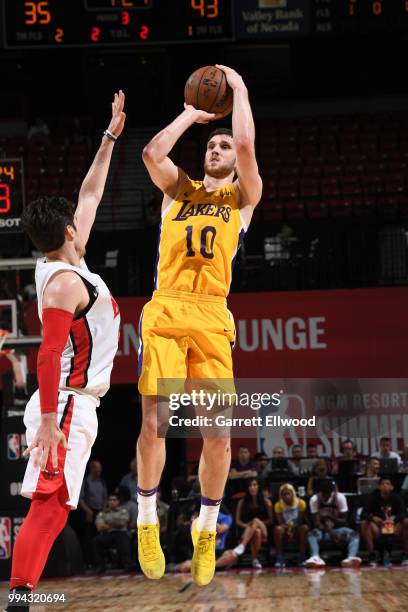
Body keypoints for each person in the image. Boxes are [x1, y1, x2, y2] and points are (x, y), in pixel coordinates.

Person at [137, 64, 262, 586]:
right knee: (153, 424)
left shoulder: (242, 199)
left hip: (212, 313)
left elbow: (249, 146)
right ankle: (146, 520)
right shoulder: (177, 190)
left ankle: (206, 528)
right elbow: (150, 154)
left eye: (223, 145)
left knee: (218, 437)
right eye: (212, 145)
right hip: (167, 307)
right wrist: (190, 115)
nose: (217, 149)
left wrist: (239, 90)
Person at [6, 91, 126, 610]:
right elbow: (47, 354)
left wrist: (110, 138)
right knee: (49, 505)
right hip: (68, 402)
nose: (85, 214)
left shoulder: (69, 263)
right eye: (77, 218)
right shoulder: (62, 287)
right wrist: (53, 419)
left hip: (76, 403)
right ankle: (20, 600)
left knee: (53, 507)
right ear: (69, 233)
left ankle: (22, 597)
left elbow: (91, 192)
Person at [305, 479, 361, 569]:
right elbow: (316, 523)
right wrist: (330, 531)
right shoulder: (314, 499)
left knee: (354, 534)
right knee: (312, 534)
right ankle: (315, 557)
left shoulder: (340, 497)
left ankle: (350, 558)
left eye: (328, 493)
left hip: (338, 530)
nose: (326, 496)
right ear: (320, 492)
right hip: (322, 531)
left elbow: (344, 521)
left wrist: (331, 518)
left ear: (333, 491)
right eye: (324, 493)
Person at [360, 477, 408, 566]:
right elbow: (363, 514)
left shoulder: (397, 498)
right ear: (379, 487)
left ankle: (406, 555)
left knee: (406, 521)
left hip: (394, 528)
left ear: (392, 487)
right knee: (364, 523)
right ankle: (372, 555)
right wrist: (373, 518)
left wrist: (395, 518)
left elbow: (404, 513)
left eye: (387, 484)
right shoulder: (373, 497)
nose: (385, 486)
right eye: (382, 484)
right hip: (379, 527)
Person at [233, 478, 273, 569]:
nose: (252, 488)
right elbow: (237, 521)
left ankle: (242, 545)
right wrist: (248, 526)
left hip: (264, 529)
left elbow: (271, 520)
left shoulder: (267, 502)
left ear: (258, 487)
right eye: (250, 486)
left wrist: (257, 522)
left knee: (255, 521)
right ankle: (255, 560)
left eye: (254, 485)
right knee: (256, 532)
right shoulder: (242, 502)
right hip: (248, 529)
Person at [79, 459, 108, 566]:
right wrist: (88, 511)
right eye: (97, 469)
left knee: (100, 537)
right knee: (89, 538)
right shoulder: (85, 482)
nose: (99, 471)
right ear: (91, 469)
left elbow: (105, 498)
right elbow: (80, 499)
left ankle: (101, 561)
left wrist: (104, 511)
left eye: (100, 469)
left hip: (100, 513)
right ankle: (89, 562)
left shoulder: (102, 482)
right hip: (89, 512)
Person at [93, 493, 132, 573]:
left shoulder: (123, 511)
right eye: (110, 500)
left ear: (118, 502)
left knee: (124, 540)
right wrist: (115, 523)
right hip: (108, 534)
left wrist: (107, 523)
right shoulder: (102, 513)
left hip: (120, 533)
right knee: (96, 541)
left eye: (114, 500)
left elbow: (123, 523)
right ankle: (100, 566)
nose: (112, 502)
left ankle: (127, 565)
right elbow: (99, 526)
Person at [274, 483, 308, 568]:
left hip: (297, 528)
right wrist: (288, 530)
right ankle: (280, 558)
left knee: (304, 528)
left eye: (288, 494)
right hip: (285, 529)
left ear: (293, 493)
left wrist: (292, 530)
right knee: (278, 529)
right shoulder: (278, 505)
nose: (286, 496)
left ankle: (302, 557)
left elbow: (300, 521)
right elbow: (281, 523)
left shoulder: (301, 503)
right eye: (284, 494)